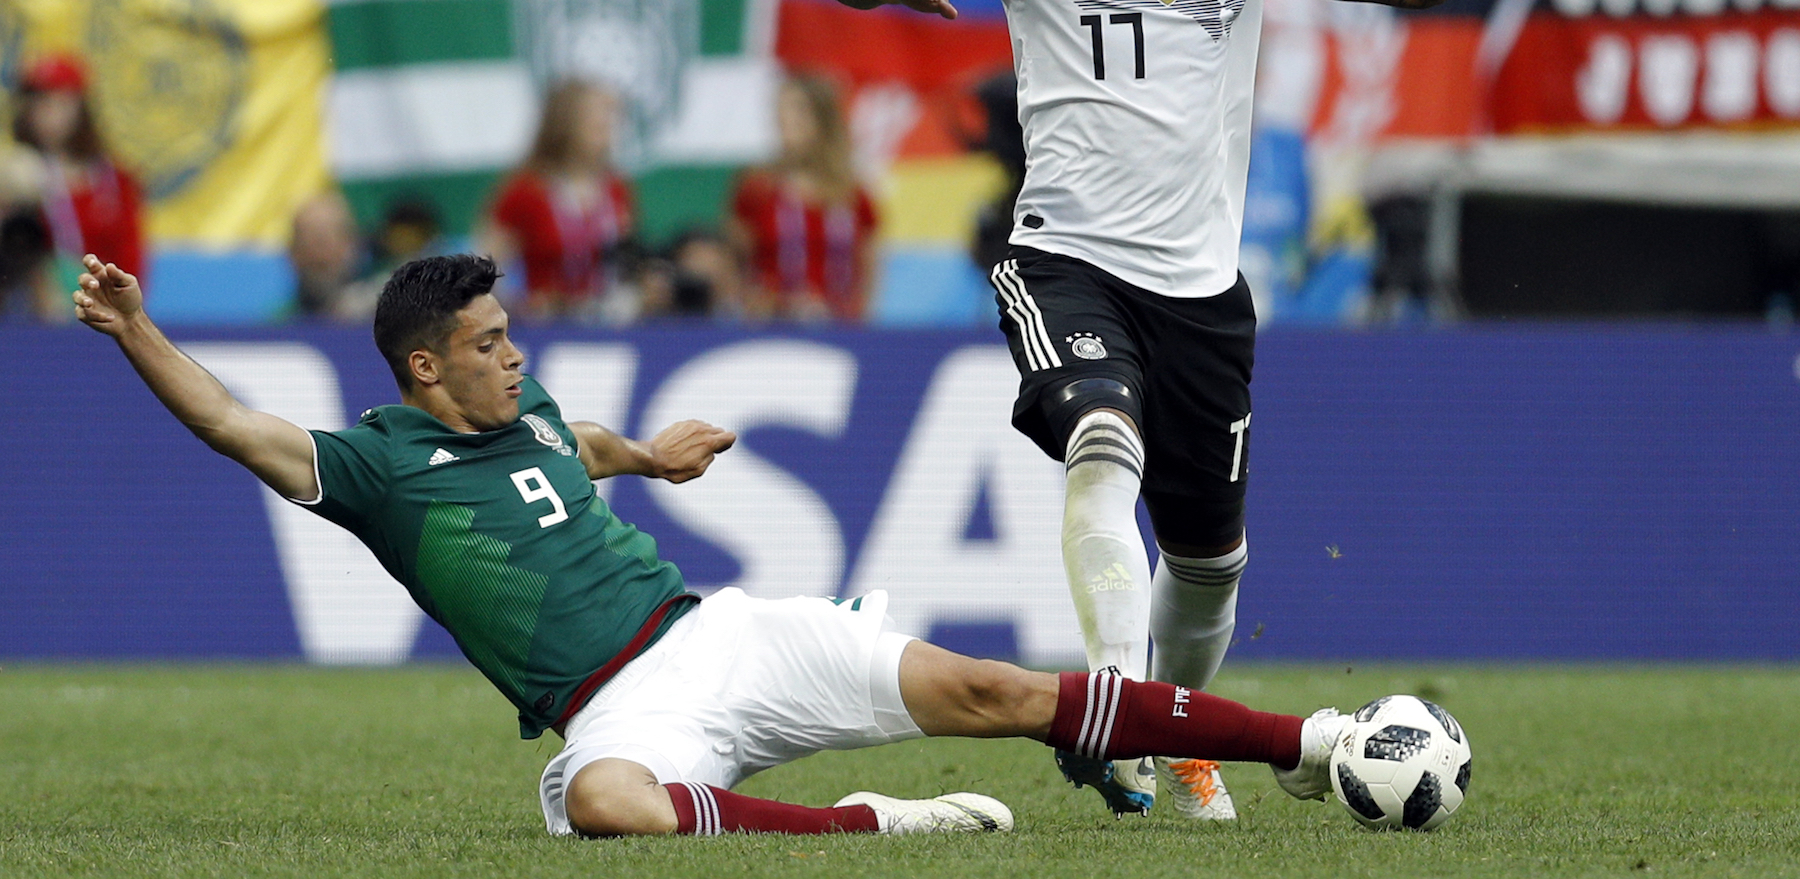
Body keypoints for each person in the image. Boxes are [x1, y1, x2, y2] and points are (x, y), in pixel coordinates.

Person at [826, 0, 1554, 820]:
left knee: (1211, 564)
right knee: (1102, 440)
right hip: (1064, 261)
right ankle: (1120, 724)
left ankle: (1176, 726)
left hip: (1202, 294)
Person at [72, 247, 1366, 837]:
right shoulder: (372, 463)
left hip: (718, 633)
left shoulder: (524, 412)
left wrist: (648, 455)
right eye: (486, 342)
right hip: (612, 706)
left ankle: (1310, 740)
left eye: (510, 329)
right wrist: (136, 331)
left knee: (1000, 687)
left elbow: (570, 441)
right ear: (423, 367)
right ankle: (865, 821)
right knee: (603, 797)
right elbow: (237, 421)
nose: (513, 350)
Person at [480, 80, 637, 320]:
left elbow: (624, 262)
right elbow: (483, 273)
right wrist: (515, 308)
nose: (608, 126)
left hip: (606, 323)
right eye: (596, 119)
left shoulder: (616, 188)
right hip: (545, 326)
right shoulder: (525, 191)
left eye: (612, 119)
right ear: (566, 123)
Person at [729, 73, 878, 322]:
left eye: (798, 110)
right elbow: (735, 265)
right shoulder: (757, 188)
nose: (785, 118)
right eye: (781, 109)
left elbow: (870, 271)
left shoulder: (853, 195)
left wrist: (860, 317)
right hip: (772, 325)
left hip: (841, 325)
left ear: (823, 119)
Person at [11, 53, 143, 283]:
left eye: (60, 102)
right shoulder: (14, 171)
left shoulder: (113, 181)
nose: (49, 113)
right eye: (40, 102)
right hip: (25, 306)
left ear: (81, 109)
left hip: (94, 299)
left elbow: (131, 262)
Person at [287, 190, 369, 319]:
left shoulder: (381, 319)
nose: (316, 254)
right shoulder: (275, 323)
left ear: (351, 244)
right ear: (293, 253)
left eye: (323, 242)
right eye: (305, 243)